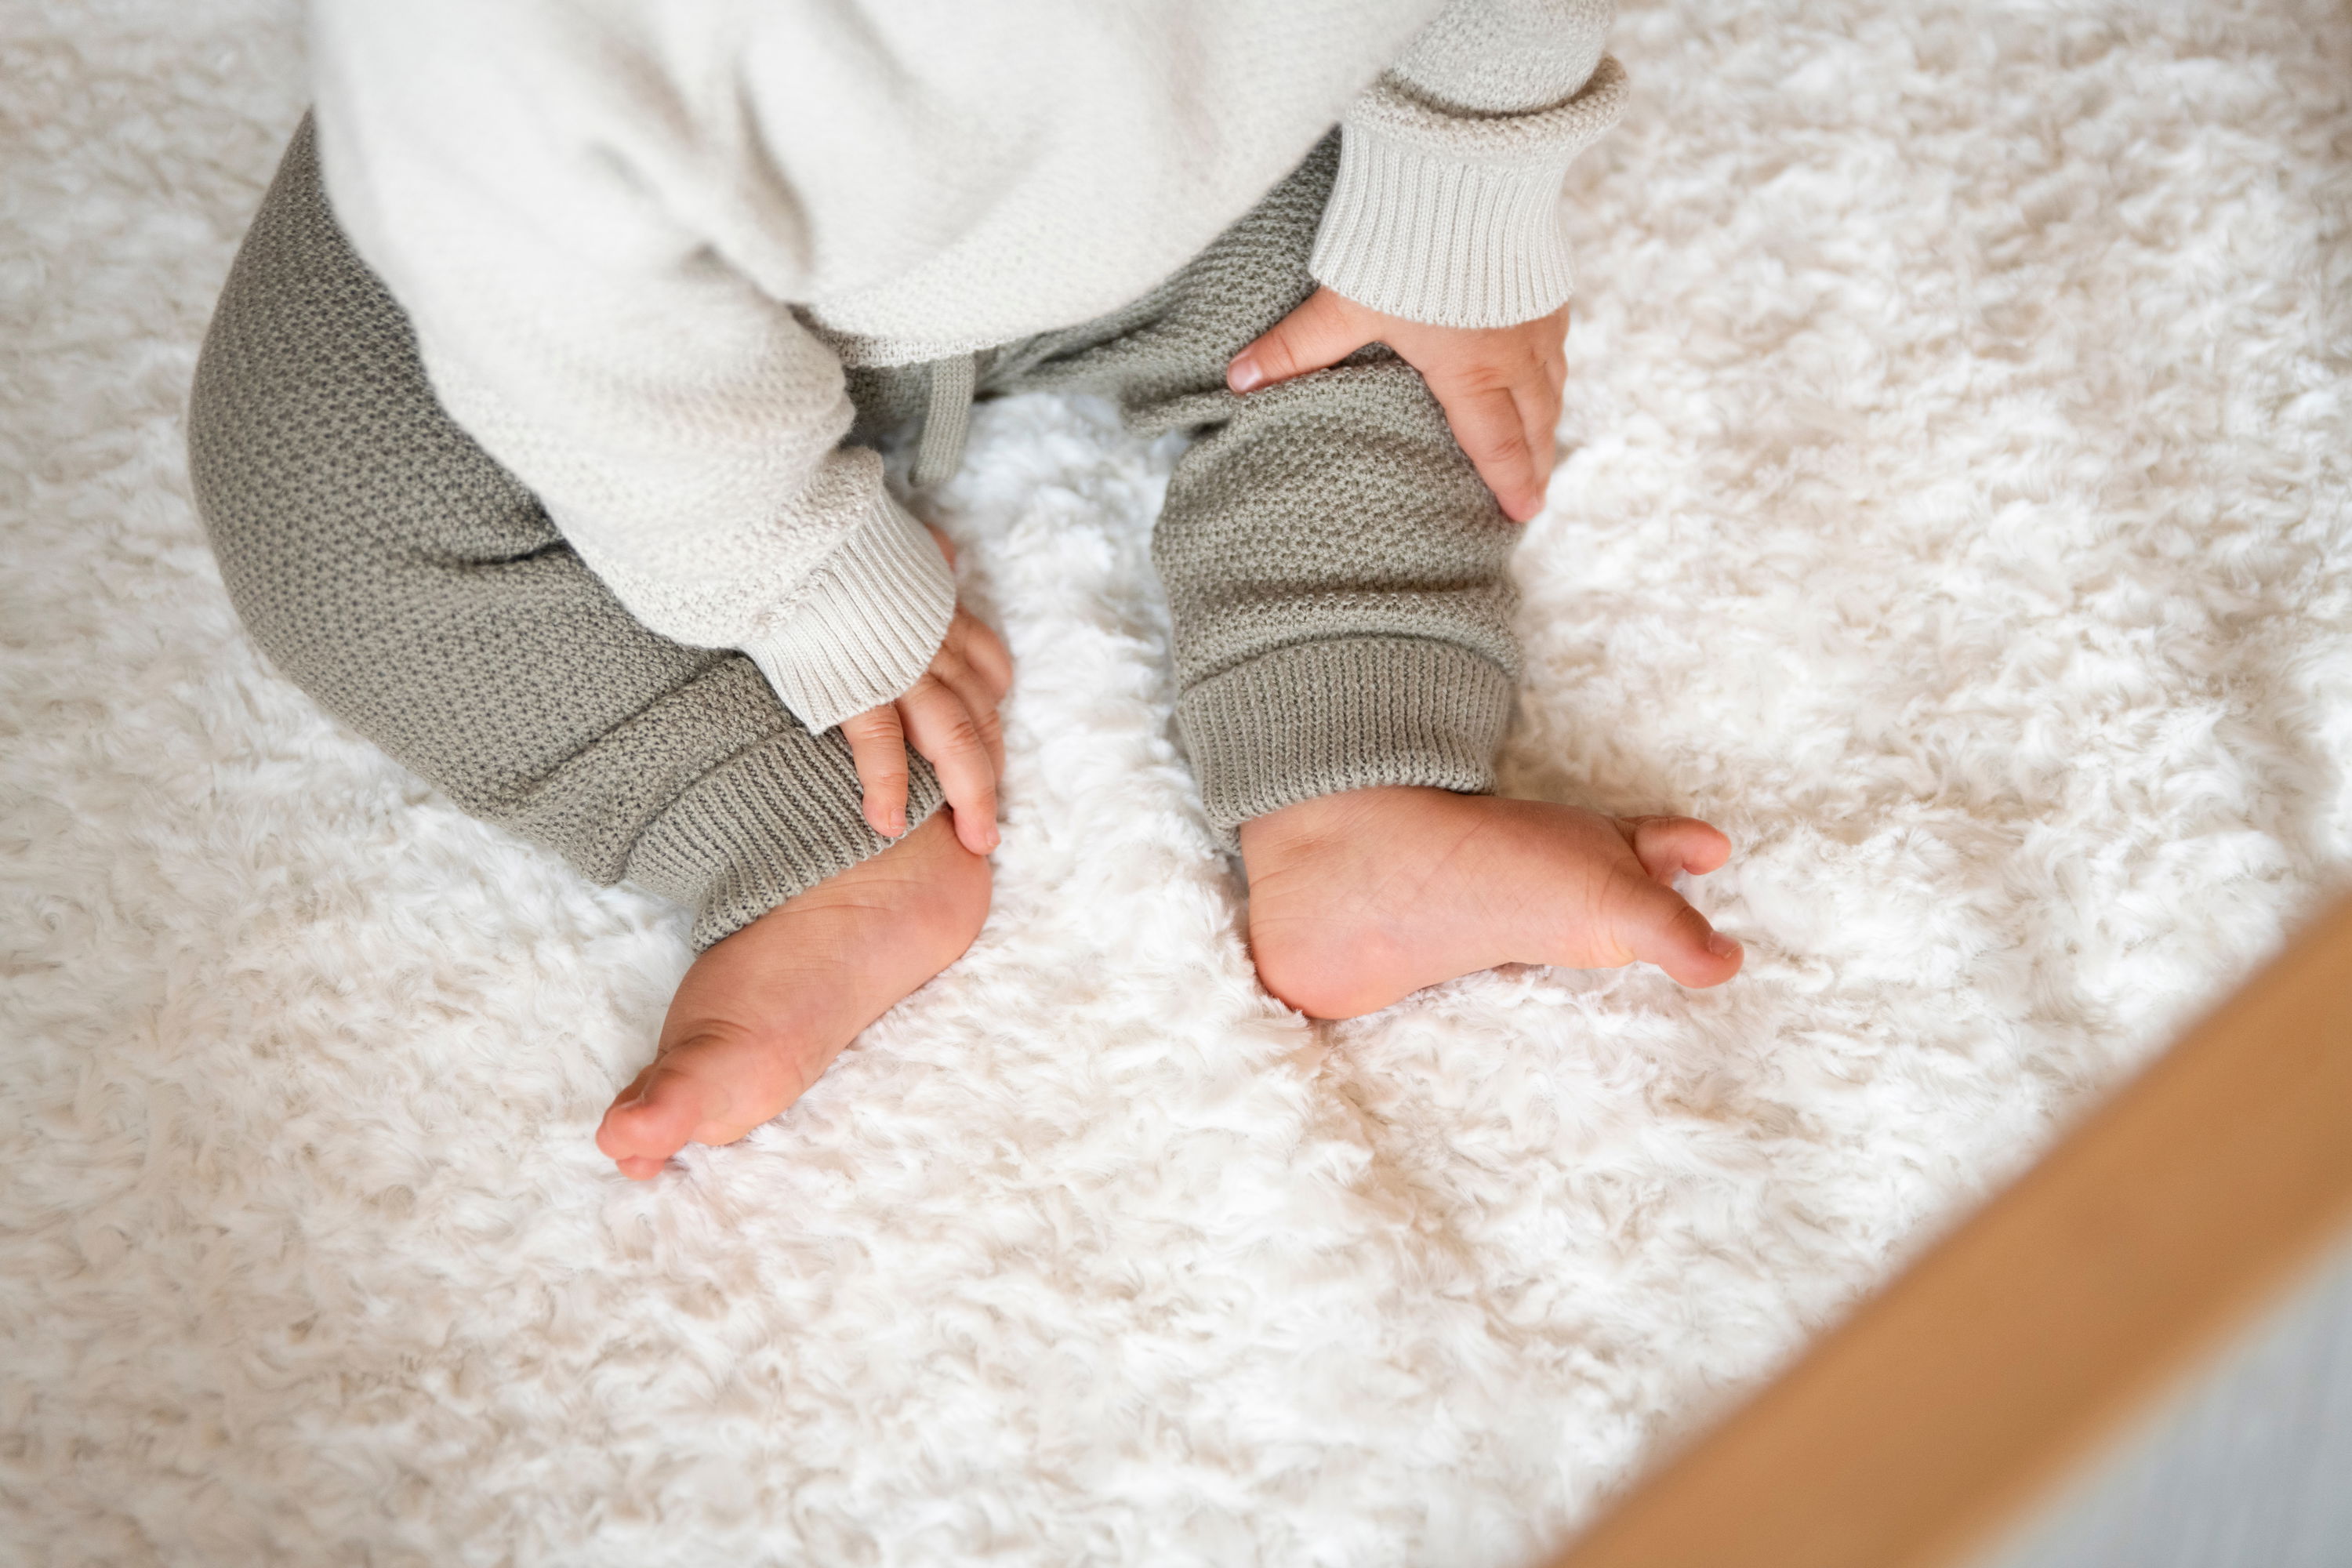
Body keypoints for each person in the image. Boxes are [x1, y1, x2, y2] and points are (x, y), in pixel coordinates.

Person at [187, 0, 1742, 1182]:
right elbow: (545, 302)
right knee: (322, 486)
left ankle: (1358, 779)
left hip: (1184, 154)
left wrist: (1457, 183)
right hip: (628, 303)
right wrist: (791, 565)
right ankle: (799, 835)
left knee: (1401, 334)